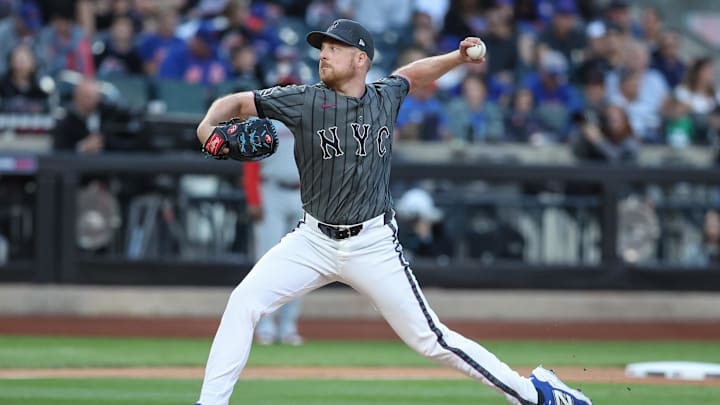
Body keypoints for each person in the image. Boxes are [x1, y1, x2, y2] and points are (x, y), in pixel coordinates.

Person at [194, 19, 593, 405]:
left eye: (335, 48)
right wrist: (207, 127)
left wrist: (456, 57)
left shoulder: (385, 96)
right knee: (244, 301)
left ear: (361, 60)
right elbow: (237, 102)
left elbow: (413, 74)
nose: (324, 55)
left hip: (373, 244)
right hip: (312, 240)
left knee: (431, 339)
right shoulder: (303, 100)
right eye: (323, 48)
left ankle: (533, 393)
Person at [242, 120, 305, 346]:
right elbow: (251, 162)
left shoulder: (308, 113)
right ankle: (265, 325)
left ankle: (288, 325)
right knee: (267, 262)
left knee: (300, 264)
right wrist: (253, 198)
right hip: (270, 190)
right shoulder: (262, 120)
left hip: (302, 191)